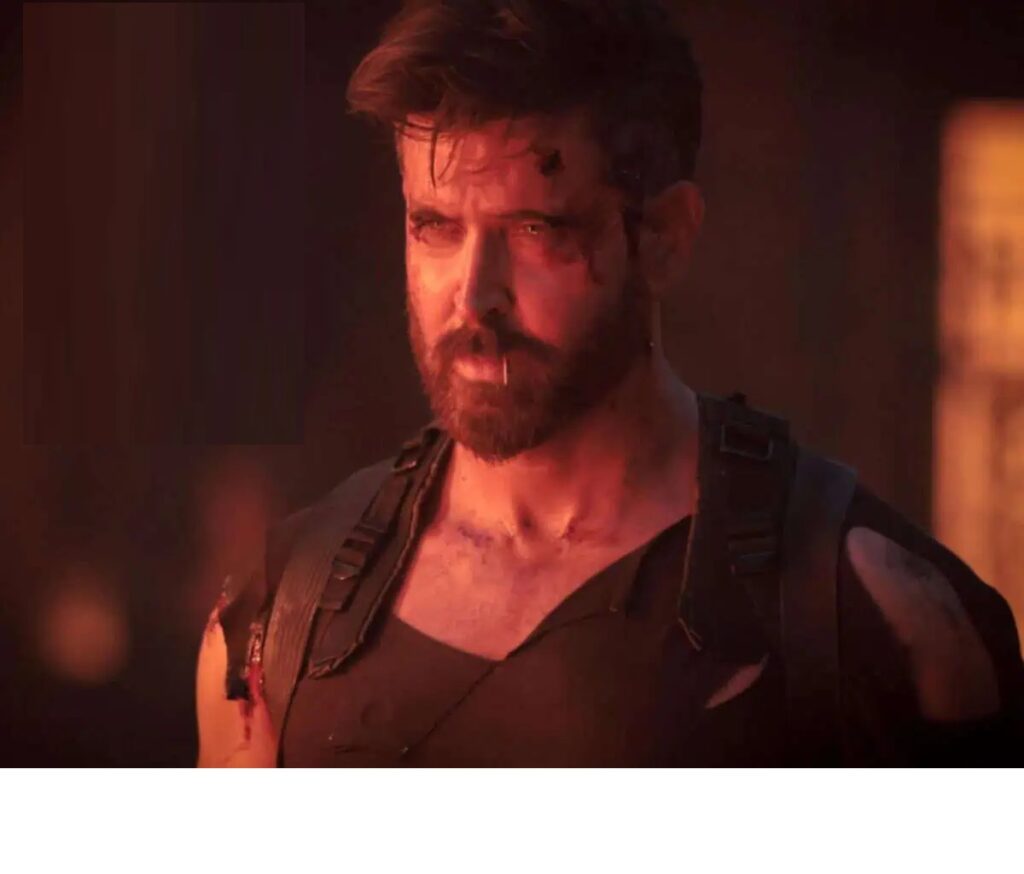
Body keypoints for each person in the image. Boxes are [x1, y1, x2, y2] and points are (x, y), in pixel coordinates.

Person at [195, 0, 1024, 767]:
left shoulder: (874, 622)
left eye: (535, 228)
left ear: (664, 237)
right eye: (435, 227)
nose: (474, 296)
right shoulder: (283, 621)